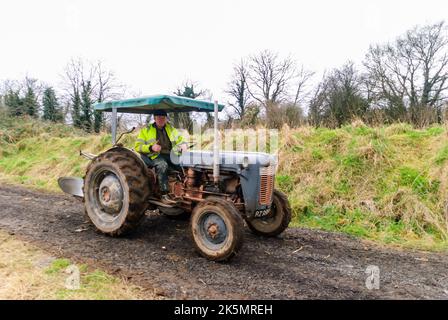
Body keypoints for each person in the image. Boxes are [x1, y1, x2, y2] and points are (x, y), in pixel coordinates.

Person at [134, 110, 188, 204]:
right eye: (158, 117)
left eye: (163, 118)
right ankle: (164, 194)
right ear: (154, 119)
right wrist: (151, 147)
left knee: (182, 166)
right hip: (152, 155)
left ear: (166, 119)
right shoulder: (146, 130)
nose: (161, 119)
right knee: (162, 165)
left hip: (169, 154)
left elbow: (180, 139)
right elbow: (137, 146)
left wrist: (183, 144)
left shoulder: (170, 129)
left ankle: (183, 190)